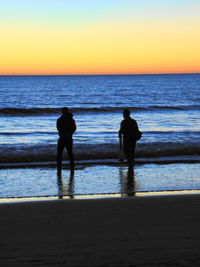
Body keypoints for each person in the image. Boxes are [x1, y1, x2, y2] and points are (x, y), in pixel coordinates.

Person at [57, 107, 76, 173]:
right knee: (70, 152)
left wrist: (63, 133)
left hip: (62, 138)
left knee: (60, 153)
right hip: (69, 137)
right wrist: (69, 133)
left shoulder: (60, 119)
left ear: (62, 111)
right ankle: (72, 166)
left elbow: (58, 128)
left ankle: (59, 167)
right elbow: (74, 128)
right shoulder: (71, 119)